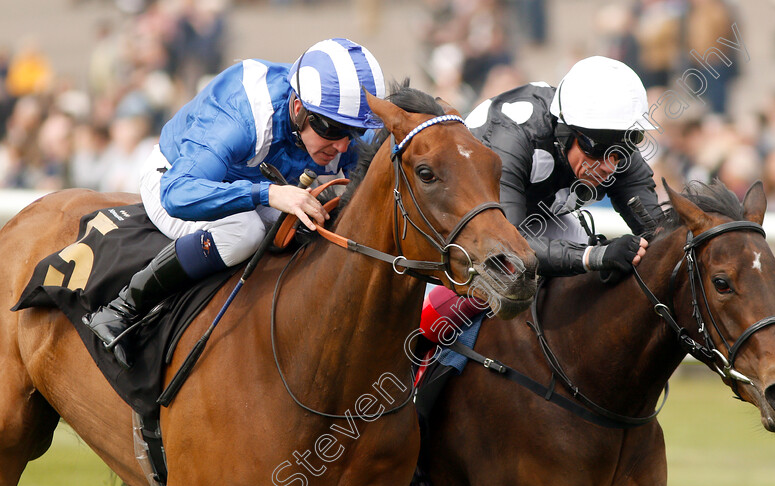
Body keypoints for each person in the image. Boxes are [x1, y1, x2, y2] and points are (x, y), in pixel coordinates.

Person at [83, 38, 386, 368]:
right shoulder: (244, 115)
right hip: (176, 179)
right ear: (298, 109)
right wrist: (268, 194)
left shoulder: (334, 118)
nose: (342, 146)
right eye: (332, 129)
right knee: (246, 231)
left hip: (258, 183)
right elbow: (178, 194)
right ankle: (124, 306)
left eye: (354, 133)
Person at [418, 56, 661, 365]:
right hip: (468, 231)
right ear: (564, 131)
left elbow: (658, 228)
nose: (609, 165)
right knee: (461, 301)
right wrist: (596, 256)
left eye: (622, 150)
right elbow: (506, 245)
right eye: (598, 150)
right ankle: (422, 381)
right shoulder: (510, 136)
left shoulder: (609, 141)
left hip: (542, 219)